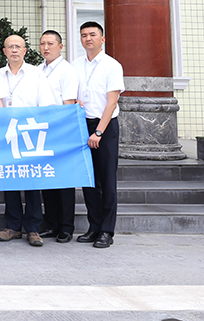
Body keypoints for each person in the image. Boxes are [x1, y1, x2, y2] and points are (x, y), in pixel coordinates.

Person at [0, 34, 56, 247]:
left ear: (25, 50)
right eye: (10, 47)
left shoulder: (36, 74)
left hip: (31, 133)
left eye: (18, 46)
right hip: (6, 134)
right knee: (10, 180)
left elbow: (46, 104)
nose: (14, 50)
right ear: (4, 51)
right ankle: (12, 226)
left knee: (32, 181)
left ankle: (33, 228)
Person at [71, 21, 124, 249]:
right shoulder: (75, 65)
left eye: (92, 34)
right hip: (83, 125)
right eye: (84, 35)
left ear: (102, 39)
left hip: (105, 126)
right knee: (89, 181)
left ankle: (106, 231)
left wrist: (99, 132)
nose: (88, 38)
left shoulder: (112, 65)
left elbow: (112, 102)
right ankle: (93, 227)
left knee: (107, 181)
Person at [38, 30, 80, 244]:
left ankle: (66, 226)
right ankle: (51, 223)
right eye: (42, 44)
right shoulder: (38, 70)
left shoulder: (67, 71)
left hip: (61, 131)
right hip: (41, 131)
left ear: (60, 46)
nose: (46, 47)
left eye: (50, 43)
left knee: (64, 180)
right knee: (48, 177)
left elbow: (69, 104)